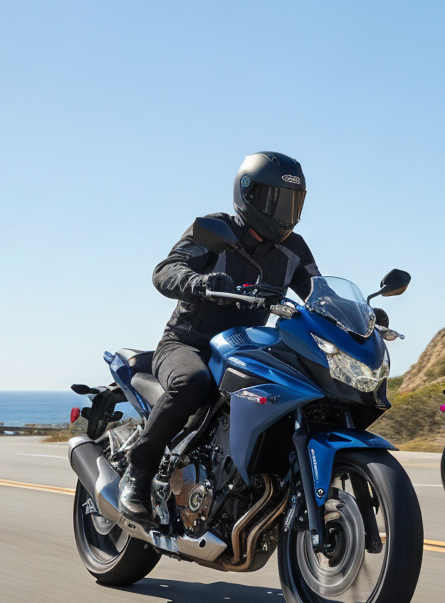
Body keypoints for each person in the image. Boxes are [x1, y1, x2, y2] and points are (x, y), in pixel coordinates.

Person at [118, 151, 321, 523]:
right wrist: (198, 282)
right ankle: (139, 472)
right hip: (187, 343)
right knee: (193, 382)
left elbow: (318, 293)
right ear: (250, 194)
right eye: (276, 200)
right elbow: (165, 271)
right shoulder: (215, 229)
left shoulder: (293, 250)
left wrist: (353, 315)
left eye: (293, 202)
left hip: (244, 347)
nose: (285, 212)